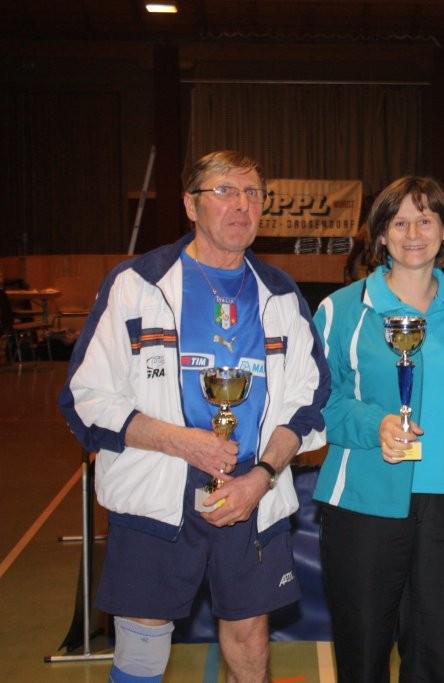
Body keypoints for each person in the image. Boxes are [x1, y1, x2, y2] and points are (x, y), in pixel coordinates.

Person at [59, 150, 330, 683]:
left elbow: (309, 402)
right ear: (190, 204)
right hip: (155, 491)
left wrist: (262, 475)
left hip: (252, 493)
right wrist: (182, 442)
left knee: (250, 637)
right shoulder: (138, 283)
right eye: (224, 191)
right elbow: (85, 396)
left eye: (253, 193)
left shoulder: (280, 293)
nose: (241, 205)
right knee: (142, 643)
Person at [313, 176, 444, 681]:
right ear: (381, 235)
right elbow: (315, 405)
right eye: (399, 222)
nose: (413, 233)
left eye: (425, 220)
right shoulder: (341, 310)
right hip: (363, 503)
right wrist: (376, 424)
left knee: (436, 662)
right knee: (363, 657)